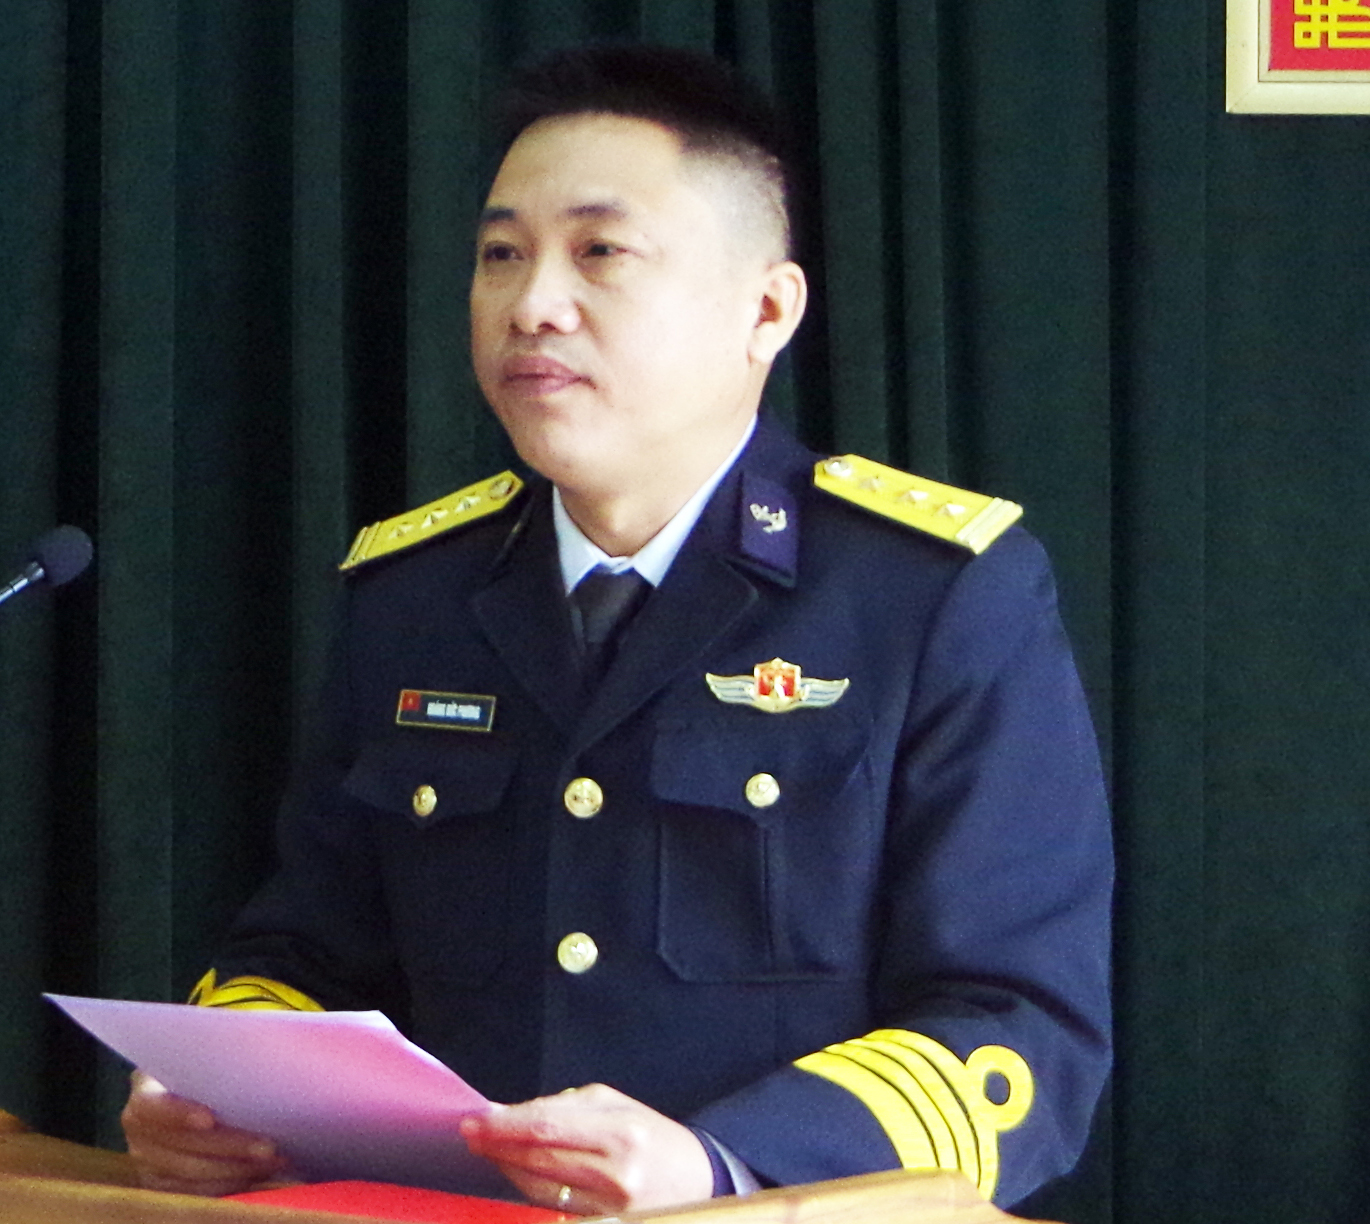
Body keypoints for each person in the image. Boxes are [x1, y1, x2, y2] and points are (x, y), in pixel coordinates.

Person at [121, 43, 1111, 1215]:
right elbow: (305, 950)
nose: (532, 304)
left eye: (600, 252)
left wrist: (718, 1164)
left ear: (765, 309)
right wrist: (219, 1095)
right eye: (500, 255)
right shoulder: (412, 595)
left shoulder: (929, 595)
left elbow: (1014, 1033)